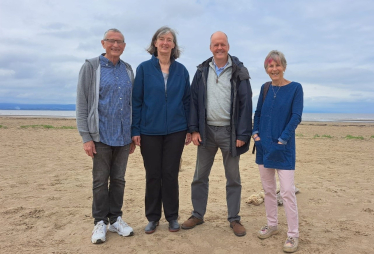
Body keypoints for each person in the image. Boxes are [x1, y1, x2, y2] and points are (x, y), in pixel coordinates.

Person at [181, 31, 252, 237]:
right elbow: (194, 101)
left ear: (228, 46)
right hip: (206, 132)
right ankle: (197, 214)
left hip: (231, 133)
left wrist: (243, 133)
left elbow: (246, 103)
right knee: (199, 176)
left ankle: (234, 218)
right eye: (215, 45)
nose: (219, 48)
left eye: (222, 44)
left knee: (233, 178)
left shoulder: (239, 70)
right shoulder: (202, 70)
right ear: (210, 48)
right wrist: (193, 129)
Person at [76, 28, 135, 244]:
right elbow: (82, 102)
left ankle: (115, 219)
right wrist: (86, 137)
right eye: (111, 41)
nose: (116, 45)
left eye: (120, 42)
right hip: (100, 136)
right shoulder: (91, 67)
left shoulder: (128, 69)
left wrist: (132, 133)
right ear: (103, 43)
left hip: (123, 136)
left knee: (118, 180)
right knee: (100, 180)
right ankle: (99, 222)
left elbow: (131, 104)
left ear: (124, 46)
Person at [131, 26, 191, 234]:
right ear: (155, 43)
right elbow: (136, 101)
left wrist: (190, 128)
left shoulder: (182, 70)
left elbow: (187, 101)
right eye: (161, 39)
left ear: (174, 45)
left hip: (176, 130)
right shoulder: (144, 69)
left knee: (170, 173)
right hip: (149, 131)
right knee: (153, 174)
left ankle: (172, 217)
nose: (165, 43)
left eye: (169, 40)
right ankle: (153, 217)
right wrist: (135, 129)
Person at [252, 50, 303, 253]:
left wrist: (282, 140)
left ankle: (293, 234)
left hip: (284, 148)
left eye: (277, 65)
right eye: (270, 66)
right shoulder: (265, 88)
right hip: (263, 146)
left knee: (288, 192)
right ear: (267, 69)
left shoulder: (295, 88)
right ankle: (272, 225)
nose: (274, 69)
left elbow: (296, 116)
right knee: (268, 190)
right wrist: (255, 134)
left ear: (284, 66)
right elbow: (257, 113)